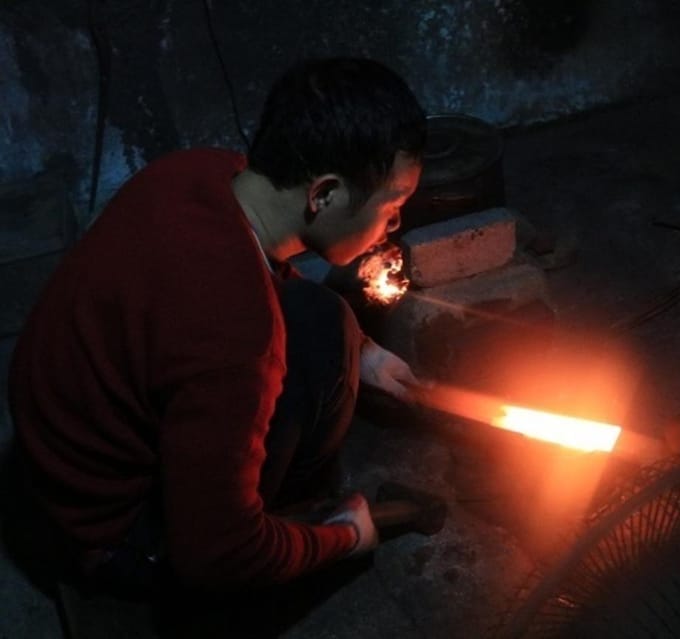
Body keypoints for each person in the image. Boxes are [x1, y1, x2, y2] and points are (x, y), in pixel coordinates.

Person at [6, 57, 426, 593]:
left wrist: (363, 351)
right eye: (393, 205)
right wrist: (343, 537)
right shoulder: (238, 338)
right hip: (104, 531)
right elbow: (218, 553)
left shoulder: (201, 171)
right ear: (324, 195)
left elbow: (258, 273)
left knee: (328, 321)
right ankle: (283, 521)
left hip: (52, 453)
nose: (396, 225)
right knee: (309, 352)